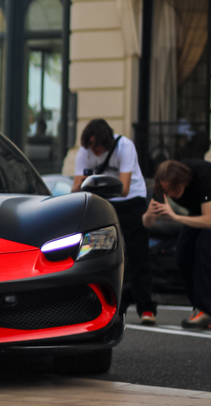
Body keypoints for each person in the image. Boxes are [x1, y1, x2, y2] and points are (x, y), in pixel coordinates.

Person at [72, 119, 156, 325]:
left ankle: (146, 308)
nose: (95, 150)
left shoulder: (125, 146)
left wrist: (92, 185)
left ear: (107, 142)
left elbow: (124, 187)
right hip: (103, 201)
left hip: (130, 201)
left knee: (137, 253)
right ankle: (103, 302)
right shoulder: (85, 152)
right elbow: (75, 187)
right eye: (91, 146)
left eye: (98, 146)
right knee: (96, 251)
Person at [142, 159, 211, 329]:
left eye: (175, 189)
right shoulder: (161, 184)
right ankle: (199, 307)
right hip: (197, 212)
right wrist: (150, 215)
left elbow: (209, 220)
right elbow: (147, 223)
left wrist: (176, 217)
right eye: (168, 190)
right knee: (182, 253)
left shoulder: (204, 175)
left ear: (185, 181)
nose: (171, 194)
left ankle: (206, 309)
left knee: (204, 247)